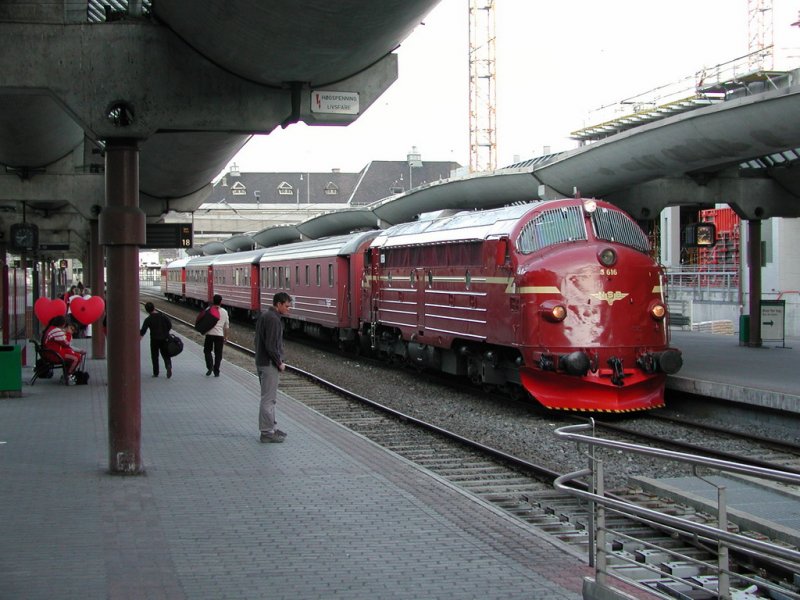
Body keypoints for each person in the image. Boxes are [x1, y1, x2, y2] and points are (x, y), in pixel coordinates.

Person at [254, 292, 292, 443]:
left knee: (268, 398)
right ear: (279, 304)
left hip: (261, 361)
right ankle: (267, 432)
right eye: (287, 306)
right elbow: (271, 346)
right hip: (269, 364)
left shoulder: (265, 316)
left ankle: (270, 427)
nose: (289, 309)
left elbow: (257, 340)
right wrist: (279, 363)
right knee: (269, 399)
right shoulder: (273, 320)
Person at [42, 314, 86, 383]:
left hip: (53, 352)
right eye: (71, 328)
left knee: (74, 355)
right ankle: (68, 375)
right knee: (76, 358)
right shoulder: (57, 331)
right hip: (54, 354)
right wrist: (68, 334)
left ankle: (67, 374)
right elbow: (66, 344)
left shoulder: (53, 329)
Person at [139, 301, 173, 378]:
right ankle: (168, 366)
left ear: (147, 311)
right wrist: (166, 332)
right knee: (165, 354)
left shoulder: (148, 319)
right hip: (165, 339)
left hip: (154, 339)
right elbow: (170, 325)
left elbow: (143, 331)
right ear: (154, 308)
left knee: (154, 356)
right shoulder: (163, 316)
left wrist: (138, 337)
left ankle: (156, 372)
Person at [203, 294, 229, 377]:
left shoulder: (209, 309)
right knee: (218, 354)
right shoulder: (224, 312)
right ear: (221, 302)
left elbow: (204, 321)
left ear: (213, 301)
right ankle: (216, 371)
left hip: (209, 334)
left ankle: (210, 367)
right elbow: (226, 326)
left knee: (207, 351)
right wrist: (226, 337)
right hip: (219, 335)